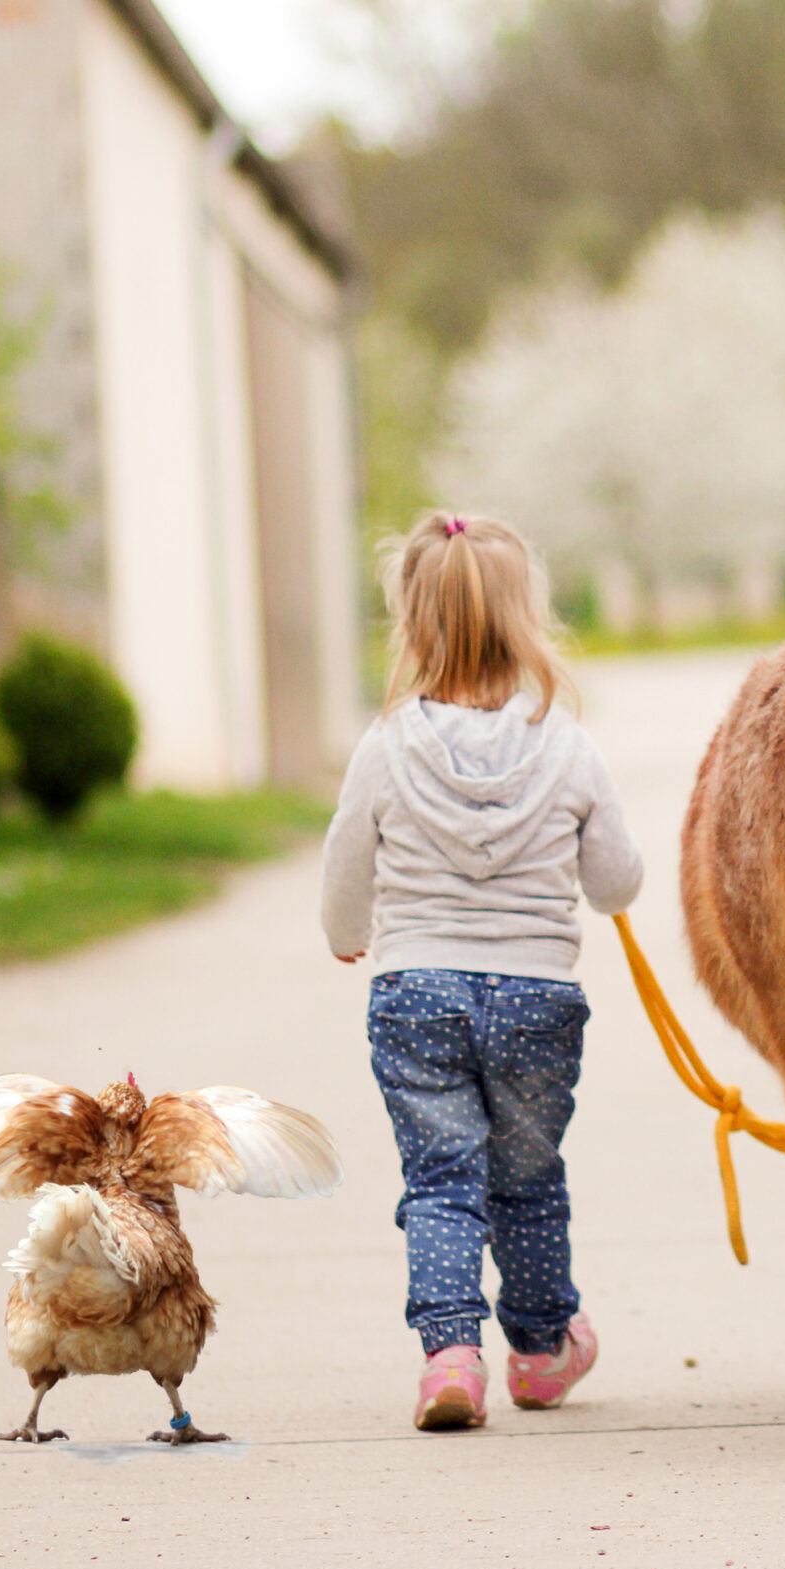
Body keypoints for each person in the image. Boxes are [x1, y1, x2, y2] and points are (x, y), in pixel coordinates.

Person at [321, 511, 643, 1431]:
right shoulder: (569, 746)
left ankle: (451, 1356)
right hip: (539, 995)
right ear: (526, 621)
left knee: (440, 1181)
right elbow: (617, 882)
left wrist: (347, 930)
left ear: (414, 626)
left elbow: (348, 865)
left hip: (416, 990)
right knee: (528, 1178)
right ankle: (542, 1350)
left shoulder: (384, 746)